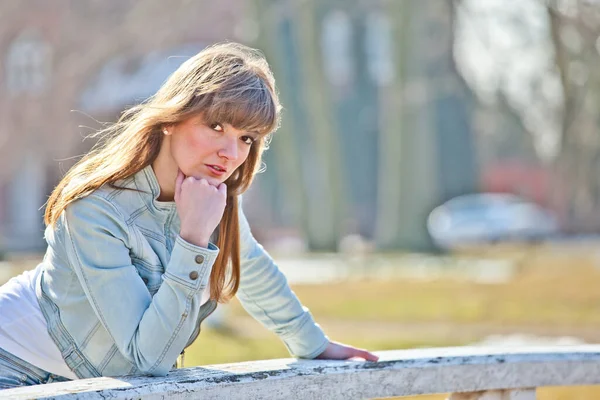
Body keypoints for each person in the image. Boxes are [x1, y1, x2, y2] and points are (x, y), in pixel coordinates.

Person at [0, 42, 378, 390]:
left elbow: (251, 270)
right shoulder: (95, 209)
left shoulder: (216, 198)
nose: (231, 152)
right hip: (12, 363)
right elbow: (148, 358)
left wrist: (313, 344)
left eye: (246, 138)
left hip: (92, 380)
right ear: (170, 119)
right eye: (216, 127)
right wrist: (194, 238)